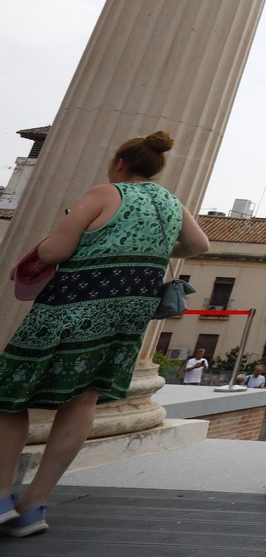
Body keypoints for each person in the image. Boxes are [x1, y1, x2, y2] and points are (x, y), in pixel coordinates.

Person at [0, 132, 210, 537]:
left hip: (74, 303)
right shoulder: (171, 203)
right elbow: (198, 244)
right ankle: (33, 507)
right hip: (128, 313)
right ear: (156, 167)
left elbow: (54, 253)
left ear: (119, 163)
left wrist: (54, 239)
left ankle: (0, 495)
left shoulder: (103, 192)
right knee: (82, 401)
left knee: (10, 393)